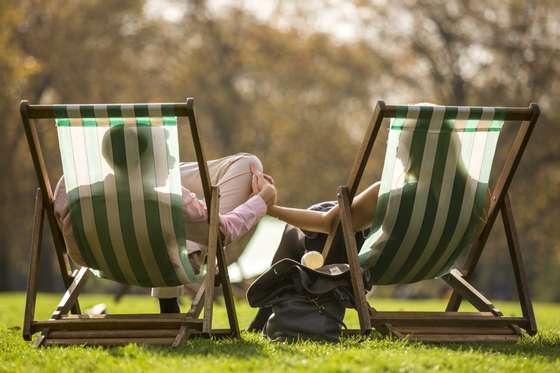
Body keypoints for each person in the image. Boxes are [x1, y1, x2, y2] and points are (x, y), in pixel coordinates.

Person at [54, 124, 276, 313]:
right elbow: (220, 234)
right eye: (165, 154)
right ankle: (238, 167)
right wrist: (262, 200)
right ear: (145, 161)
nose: (172, 160)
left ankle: (168, 303)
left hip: (99, 261)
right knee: (248, 165)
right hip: (168, 265)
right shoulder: (172, 202)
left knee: (244, 163)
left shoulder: (70, 188)